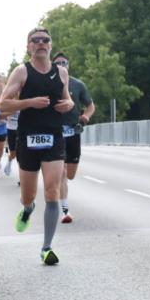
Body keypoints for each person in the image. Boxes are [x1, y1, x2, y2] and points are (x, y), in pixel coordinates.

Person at [0, 27, 74, 265]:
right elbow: (3, 105)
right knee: (27, 196)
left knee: (52, 190)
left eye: (45, 40)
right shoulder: (21, 72)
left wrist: (69, 104)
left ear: (50, 45)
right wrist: (30, 102)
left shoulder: (61, 73)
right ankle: (28, 209)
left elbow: (67, 98)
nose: (41, 43)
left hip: (54, 136)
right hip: (28, 138)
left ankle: (46, 247)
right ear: (28, 46)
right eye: (35, 40)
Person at [52, 52, 95, 224]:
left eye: (65, 62)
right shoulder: (49, 84)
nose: (62, 65)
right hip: (55, 132)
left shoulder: (78, 84)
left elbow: (90, 105)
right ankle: (65, 210)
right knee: (61, 172)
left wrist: (86, 116)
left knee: (70, 174)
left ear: (69, 65)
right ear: (53, 65)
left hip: (73, 131)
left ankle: (60, 193)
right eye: (58, 63)